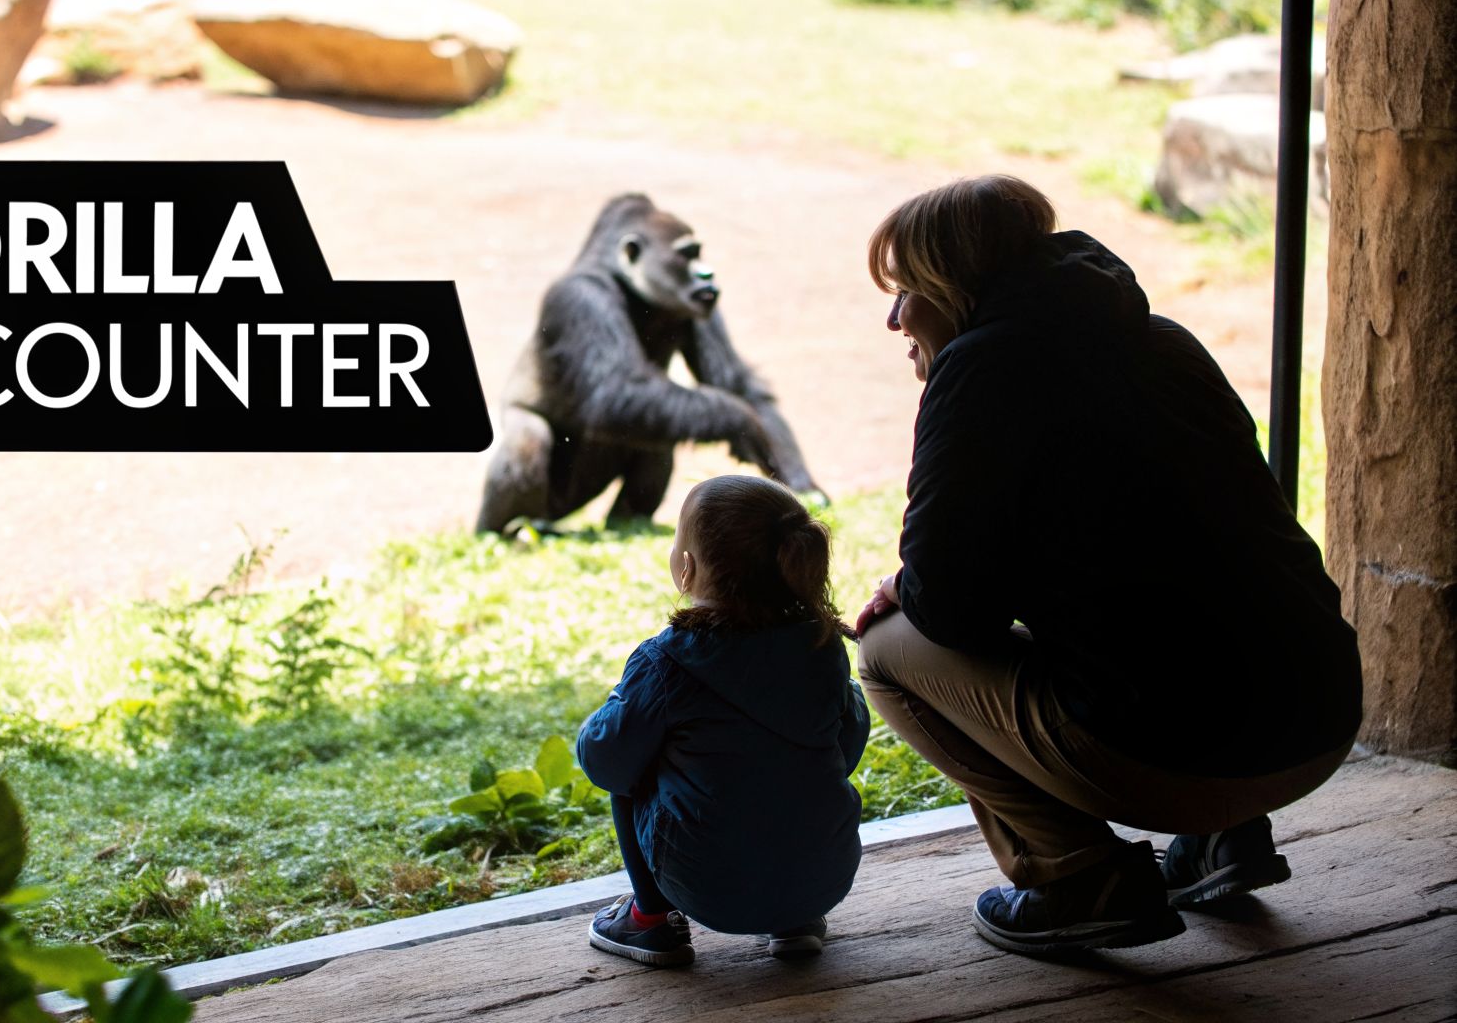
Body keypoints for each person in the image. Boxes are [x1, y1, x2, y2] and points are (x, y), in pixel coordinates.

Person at [853, 174, 1363, 955]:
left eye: (906, 291)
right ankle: (1225, 842)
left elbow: (950, 610)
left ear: (954, 285)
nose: (895, 320)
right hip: (1322, 716)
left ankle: (1078, 876)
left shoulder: (981, 373)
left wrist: (905, 589)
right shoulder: (1162, 340)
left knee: (889, 648)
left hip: (1186, 757)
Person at [576, 475, 869, 966]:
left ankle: (650, 921)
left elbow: (607, 762)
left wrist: (601, 720)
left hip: (705, 885)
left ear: (686, 568)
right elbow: (849, 740)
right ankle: (794, 921)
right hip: (824, 878)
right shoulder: (822, 647)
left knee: (633, 759)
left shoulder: (665, 662)